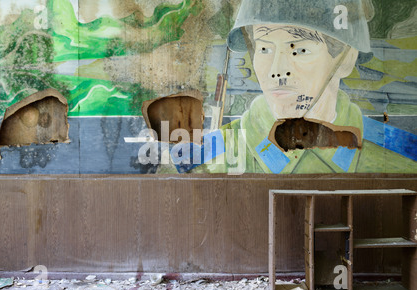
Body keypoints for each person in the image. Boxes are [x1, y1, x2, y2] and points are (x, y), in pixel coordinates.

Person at [158, 0, 416, 174]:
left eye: (300, 49)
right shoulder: (208, 159)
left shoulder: (400, 157)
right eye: (265, 48)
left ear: (346, 58)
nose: (277, 69)